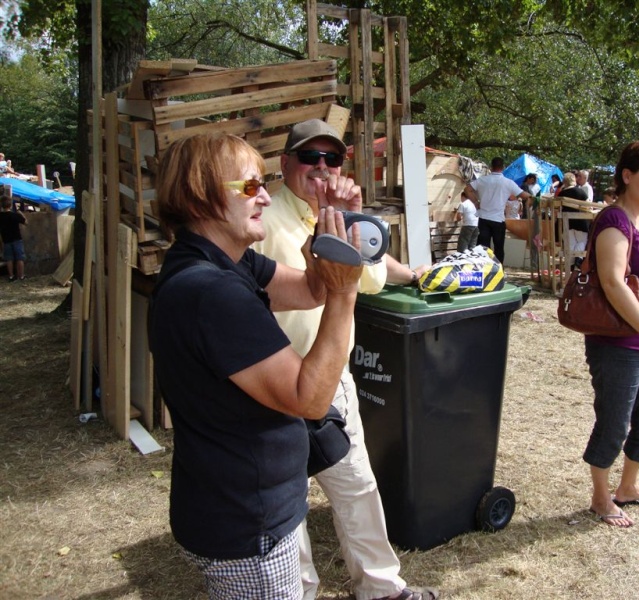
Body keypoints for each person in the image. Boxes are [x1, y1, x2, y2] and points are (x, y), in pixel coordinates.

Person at [148, 132, 364, 599]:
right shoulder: (213, 293)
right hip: (247, 524)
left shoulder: (228, 263)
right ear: (200, 194)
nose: (265, 196)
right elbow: (310, 398)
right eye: (249, 187)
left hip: (237, 506)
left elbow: (309, 290)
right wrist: (347, 291)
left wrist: (328, 230)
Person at [251, 119, 437, 600]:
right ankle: (299, 592)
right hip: (276, 381)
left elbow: (368, 281)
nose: (321, 167)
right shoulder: (264, 217)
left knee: (356, 483)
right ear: (285, 163)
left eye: (331, 159)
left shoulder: (331, 214)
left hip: (332, 378)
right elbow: (304, 289)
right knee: (288, 500)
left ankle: (381, 587)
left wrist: (353, 222)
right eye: (309, 157)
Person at [583, 139, 639, 528]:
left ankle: (628, 487)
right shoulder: (614, 221)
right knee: (615, 421)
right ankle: (601, 498)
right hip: (618, 342)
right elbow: (612, 281)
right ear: (626, 176)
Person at [464, 157, 531, 264]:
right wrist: (532, 197)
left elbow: (467, 189)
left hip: (483, 218)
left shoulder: (482, 180)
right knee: (499, 248)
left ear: (491, 167)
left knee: (482, 248)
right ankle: (499, 271)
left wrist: (476, 202)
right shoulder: (508, 182)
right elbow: (523, 195)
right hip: (498, 220)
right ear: (503, 167)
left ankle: (483, 269)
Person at [0, 194, 27, 281]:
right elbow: (26, 223)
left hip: (6, 240)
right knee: (20, 258)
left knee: (9, 258)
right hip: (17, 239)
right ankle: (21, 276)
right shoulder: (15, 215)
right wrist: (21, 213)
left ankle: (11, 276)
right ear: (11, 205)